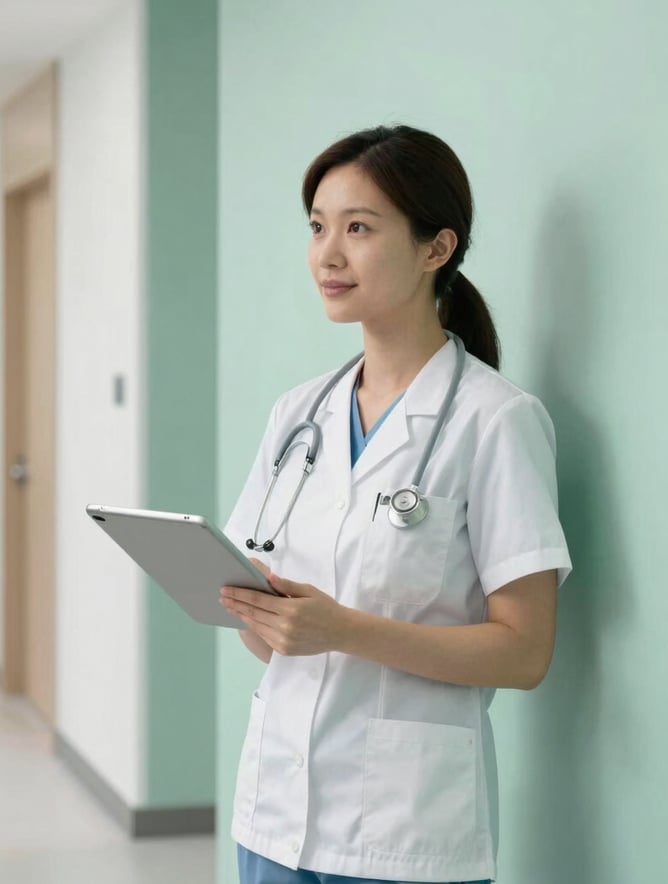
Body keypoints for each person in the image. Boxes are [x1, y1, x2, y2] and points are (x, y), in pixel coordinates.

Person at [219, 124, 571, 884]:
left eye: (358, 228)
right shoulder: (297, 414)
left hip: (404, 831)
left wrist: (339, 629)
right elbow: (268, 632)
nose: (328, 253)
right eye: (317, 227)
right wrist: (266, 616)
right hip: (275, 811)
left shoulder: (495, 420)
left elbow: (525, 651)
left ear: (436, 248)